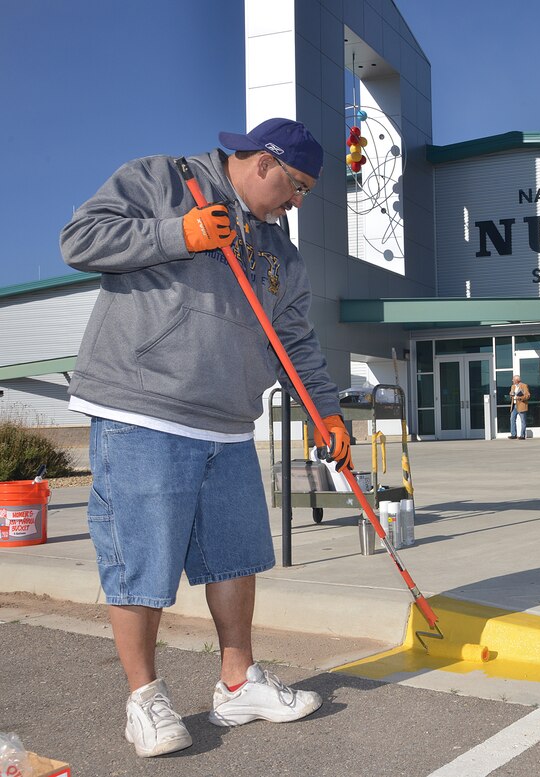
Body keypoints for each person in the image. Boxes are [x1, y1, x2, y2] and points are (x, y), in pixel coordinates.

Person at [59, 118, 350, 757]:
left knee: (236, 555)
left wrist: (324, 414)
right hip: (143, 408)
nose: (298, 202)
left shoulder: (280, 251)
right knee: (142, 561)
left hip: (226, 420)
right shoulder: (165, 180)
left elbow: (295, 339)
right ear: (264, 163)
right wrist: (178, 234)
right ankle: (145, 699)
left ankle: (238, 682)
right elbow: (79, 240)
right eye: (297, 186)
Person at [509, 375, 530, 439]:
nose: (512, 380)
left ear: (517, 380)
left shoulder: (524, 386)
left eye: (513, 379)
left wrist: (520, 398)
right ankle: (513, 434)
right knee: (512, 419)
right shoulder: (513, 386)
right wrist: (511, 394)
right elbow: (512, 395)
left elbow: (528, 395)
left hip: (521, 405)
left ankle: (522, 435)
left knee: (523, 421)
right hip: (514, 405)